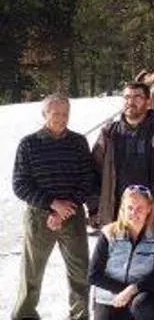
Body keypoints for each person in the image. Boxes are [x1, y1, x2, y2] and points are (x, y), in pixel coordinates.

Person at [12, 94, 94, 320]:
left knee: (80, 272)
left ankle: (79, 316)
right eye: (56, 113)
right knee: (31, 273)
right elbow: (20, 184)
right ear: (44, 114)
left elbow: (88, 179)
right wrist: (53, 205)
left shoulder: (78, 142)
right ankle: (24, 315)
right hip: (39, 218)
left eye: (65, 114)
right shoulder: (29, 144)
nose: (61, 118)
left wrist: (67, 208)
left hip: (73, 215)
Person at [92, 81, 154, 227]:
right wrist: (94, 209)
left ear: (148, 101)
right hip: (116, 216)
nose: (130, 102)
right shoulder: (109, 134)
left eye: (137, 97)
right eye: (127, 97)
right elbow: (93, 173)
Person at [89, 185, 154, 320]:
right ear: (123, 209)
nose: (134, 213)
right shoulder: (109, 234)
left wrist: (133, 290)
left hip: (140, 299)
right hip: (109, 299)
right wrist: (124, 291)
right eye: (130, 208)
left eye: (139, 208)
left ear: (149, 208)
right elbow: (93, 275)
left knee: (145, 305)